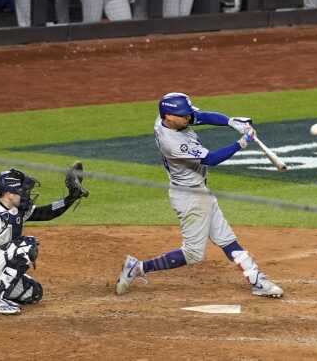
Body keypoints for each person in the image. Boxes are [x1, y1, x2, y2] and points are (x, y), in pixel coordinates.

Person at [114, 93, 282, 298]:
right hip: (190, 197)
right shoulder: (172, 142)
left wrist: (231, 121)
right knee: (193, 254)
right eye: (184, 116)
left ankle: (258, 281)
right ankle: (137, 267)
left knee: (226, 239)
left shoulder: (169, 119)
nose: (189, 118)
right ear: (169, 116)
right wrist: (242, 142)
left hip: (200, 192)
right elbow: (210, 159)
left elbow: (203, 116)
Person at [0, 166, 86, 315]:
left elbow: (46, 213)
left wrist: (70, 198)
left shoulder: (14, 209)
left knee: (34, 292)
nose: (27, 195)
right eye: (23, 191)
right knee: (26, 246)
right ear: (9, 193)